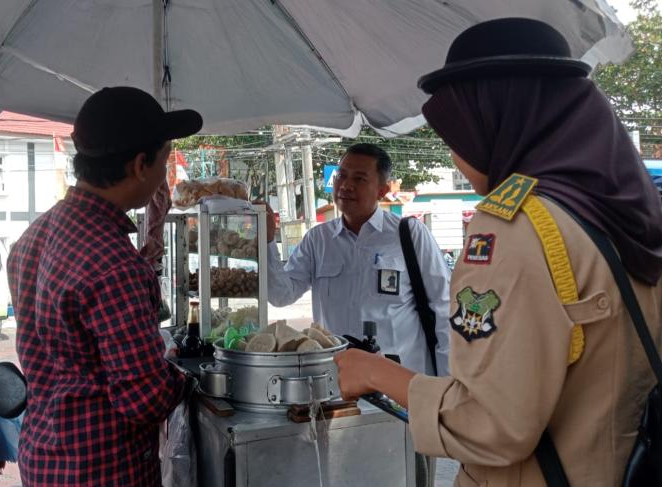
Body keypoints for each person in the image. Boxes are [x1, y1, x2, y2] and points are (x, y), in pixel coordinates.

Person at [334, 18, 662, 486]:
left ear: (496, 123)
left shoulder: (517, 229)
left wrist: (374, 372)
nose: (455, 157)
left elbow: (492, 424)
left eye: (458, 137)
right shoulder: (626, 214)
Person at [8, 86, 203, 486]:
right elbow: (144, 398)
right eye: (165, 163)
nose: (165, 177)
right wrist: (189, 377)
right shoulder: (114, 263)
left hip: (45, 455)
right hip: (103, 470)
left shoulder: (34, 236)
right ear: (138, 165)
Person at [266, 143, 451, 375]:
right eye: (341, 175)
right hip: (338, 380)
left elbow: (445, 308)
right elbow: (281, 295)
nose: (345, 185)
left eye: (360, 179)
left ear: (382, 190)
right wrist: (267, 243)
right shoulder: (318, 240)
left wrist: (447, 383)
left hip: (403, 382)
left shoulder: (409, 234)